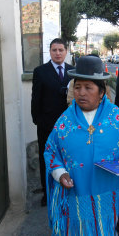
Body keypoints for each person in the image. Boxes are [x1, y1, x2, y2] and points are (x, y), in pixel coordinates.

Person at [44, 56, 119, 235]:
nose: (81, 93)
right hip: (75, 192)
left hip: (109, 194)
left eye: (88, 88)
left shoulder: (118, 118)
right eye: (77, 87)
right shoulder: (64, 122)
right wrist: (60, 174)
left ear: (101, 92)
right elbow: (51, 151)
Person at [31, 38, 73, 206]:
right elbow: (36, 98)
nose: (57, 53)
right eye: (54, 50)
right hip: (47, 125)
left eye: (61, 50)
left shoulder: (73, 71)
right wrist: (38, 120)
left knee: (67, 158)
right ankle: (48, 193)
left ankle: (67, 189)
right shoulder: (40, 71)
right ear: (50, 52)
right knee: (47, 159)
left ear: (66, 51)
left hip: (69, 126)